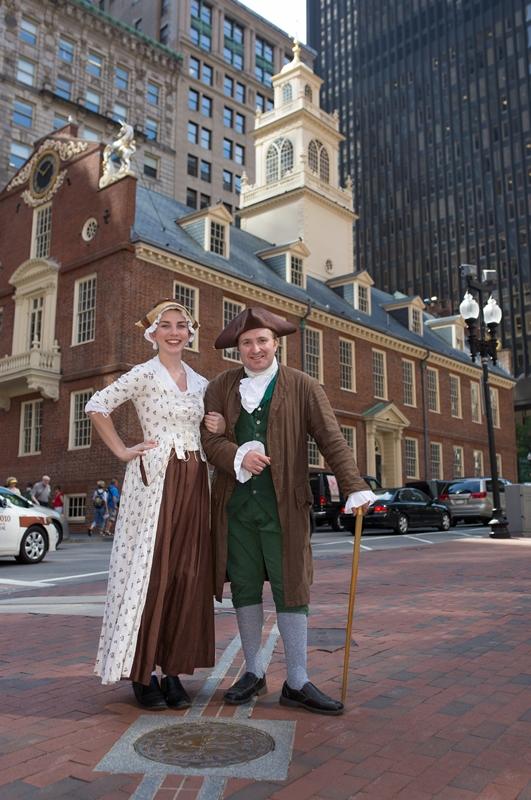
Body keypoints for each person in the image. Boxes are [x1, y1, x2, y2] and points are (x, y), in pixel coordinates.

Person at [201, 307, 376, 716]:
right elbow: (208, 444)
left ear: (275, 343)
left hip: (285, 507)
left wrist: (353, 486)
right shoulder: (220, 388)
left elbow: (331, 438)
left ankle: (297, 680)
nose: (255, 349)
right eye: (247, 343)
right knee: (244, 586)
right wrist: (236, 455)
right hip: (235, 507)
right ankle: (254, 671)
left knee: (291, 586)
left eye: (262, 340)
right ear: (237, 350)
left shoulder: (303, 385)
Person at [85, 299, 223, 710]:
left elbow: (205, 429)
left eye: (181, 325)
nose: (174, 332)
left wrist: (213, 425)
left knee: (185, 574)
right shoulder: (143, 375)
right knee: (152, 573)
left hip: (196, 481)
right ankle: (142, 673)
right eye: (166, 325)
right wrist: (124, 451)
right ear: (153, 333)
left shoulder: (200, 383)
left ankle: (173, 672)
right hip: (155, 482)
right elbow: (97, 405)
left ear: (190, 332)